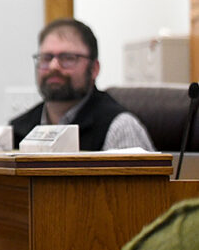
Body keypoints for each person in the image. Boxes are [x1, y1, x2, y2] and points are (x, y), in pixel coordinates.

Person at [9, 18, 154, 151]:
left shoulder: (119, 128)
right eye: (46, 58)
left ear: (94, 69)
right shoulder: (18, 129)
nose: (54, 66)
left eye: (68, 58)